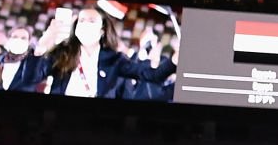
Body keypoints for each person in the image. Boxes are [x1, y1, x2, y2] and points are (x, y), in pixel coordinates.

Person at [11, 6, 176, 99]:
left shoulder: (114, 59)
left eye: (91, 21)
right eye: (81, 21)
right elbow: (29, 79)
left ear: (102, 30)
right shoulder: (63, 53)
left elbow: (151, 75)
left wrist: (174, 62)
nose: (85, 24)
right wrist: (42, 46)